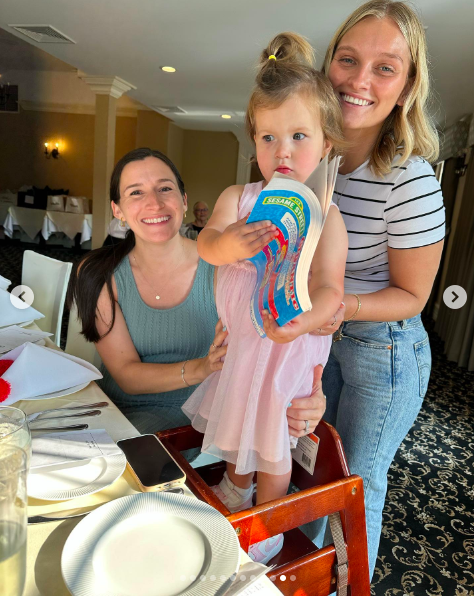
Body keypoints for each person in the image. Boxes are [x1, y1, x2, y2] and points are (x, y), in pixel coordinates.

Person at [182, 33, 348, 564]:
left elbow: (329, 289)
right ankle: (236, 487)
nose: (283, 152)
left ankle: (267, 522)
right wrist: (224, 241)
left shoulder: (327, 216)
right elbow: (206, 245)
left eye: (299, 136)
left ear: (325, 144)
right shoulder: (240, 198)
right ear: (253, 141)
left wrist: (303, 324)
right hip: (244, 343)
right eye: (269, 137)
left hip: (288, 345)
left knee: (273, 436)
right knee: (237, 419)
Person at [311, 0, 445, 580]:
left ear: (408, 84)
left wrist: (341, 307)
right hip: (329, 336)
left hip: (385, 351)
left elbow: (413, 297)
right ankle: (312, 580)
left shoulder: (409, 178)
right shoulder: (317, 153)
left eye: (385, 67)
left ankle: (349, 586)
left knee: (354, 485)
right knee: (314, 470)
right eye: (348, 59)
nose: (359, 80)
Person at [67, 147, 327, 446]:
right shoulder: (99, 272)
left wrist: (312, 394)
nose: (154, 203)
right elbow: (127, 375)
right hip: (116, 414)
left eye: (165, 188)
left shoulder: (226, 265)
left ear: (184, 200)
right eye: (136, 193)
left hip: (203, 419)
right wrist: (201, 368)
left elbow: (276, 340)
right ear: (118, 210)